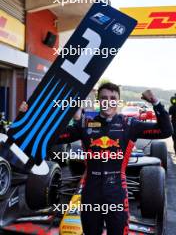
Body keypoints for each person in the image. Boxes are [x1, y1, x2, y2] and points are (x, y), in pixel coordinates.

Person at [20, 83, 172, 235]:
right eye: (104, 98)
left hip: (117, 190)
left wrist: (155, 102)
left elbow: (165, 131)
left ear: (118, 101)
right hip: (90, 190)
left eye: (113, 98)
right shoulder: (85, 123)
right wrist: (26, 117)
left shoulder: (130, 124)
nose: (109, 101)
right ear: (98, 101)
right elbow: (49, 137)